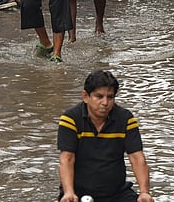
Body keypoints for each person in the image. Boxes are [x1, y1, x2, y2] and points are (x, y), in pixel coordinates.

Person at [57, 70, 154, 202]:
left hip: (117, 193)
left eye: (110, 97)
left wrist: (144, 192)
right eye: (99, 96)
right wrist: (69, 192)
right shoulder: (70, 119)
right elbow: (67, 159)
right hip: (78, 193)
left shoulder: (125, 119)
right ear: (86, 96)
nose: (105, 102)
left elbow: (137, 158)